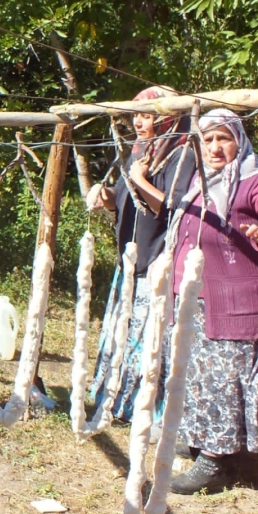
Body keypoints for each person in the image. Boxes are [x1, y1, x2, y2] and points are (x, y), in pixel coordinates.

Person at [166, 108, 258, 494]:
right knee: (198, 375)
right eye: (208, 139)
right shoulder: (203, 181)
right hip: (199, 298)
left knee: (223, 381)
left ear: (239, 139)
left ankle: (217, 462)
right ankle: (201, 438)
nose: (216, 147)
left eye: (224, 138)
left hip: (237, 301)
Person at [89, 87, 195, 426]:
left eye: (148, 115)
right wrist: (104, 196)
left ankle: (137, 406)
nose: (138, 121)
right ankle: (110, 396)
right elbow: (121, 199)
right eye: (136, 114)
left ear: (167, 118)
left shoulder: (181, 155)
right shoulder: (135, 151)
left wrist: (140, 179)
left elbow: (172, 208)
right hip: (129, 260)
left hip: (156, 262)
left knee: (145, 337)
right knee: (120, 330)